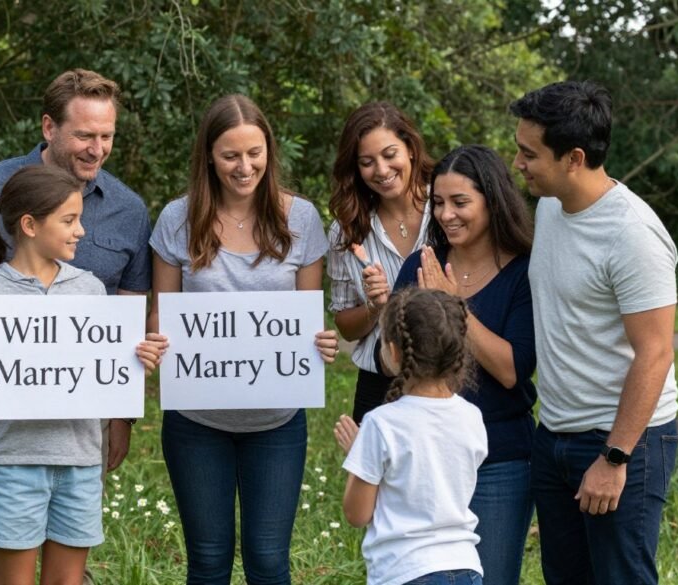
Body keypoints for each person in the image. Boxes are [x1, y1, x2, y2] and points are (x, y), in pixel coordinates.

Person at [0, 69, 151, 585]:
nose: (97, 149)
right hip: (1, 431)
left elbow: (125, 332)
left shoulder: (128, 210)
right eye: (85, 135)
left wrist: (122, 415)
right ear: (49, 127)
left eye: (107, 136)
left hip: (78, 433)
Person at [148, 94, 339, 584]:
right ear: (209, 157)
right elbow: (161, 315)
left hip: (277, 421)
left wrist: (320, 344)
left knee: (269, 560)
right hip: (196, 420)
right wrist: (154, 345)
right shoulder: (176, 219)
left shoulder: (301, 218)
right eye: (230, 155)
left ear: (269, 151)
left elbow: (306, 317)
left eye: (254, 153)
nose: (245, 166)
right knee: (208, 560)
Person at [511, 81, 678, 585]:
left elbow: (656, 353)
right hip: (554, 434)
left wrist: (615, 457)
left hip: (622, 441)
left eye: (529, 154)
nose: (518, 163)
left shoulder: (632, 234)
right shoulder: (550, 206)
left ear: (574, 159)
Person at [366, 145, 536, 584]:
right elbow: (388, 360)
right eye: (438, 202)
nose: (446, 215)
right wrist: (391, 332)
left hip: (499, 459)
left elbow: (512, 370)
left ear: (492, 201)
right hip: (420, 459)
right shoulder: (420, 264)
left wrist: (454, 305)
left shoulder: (524, 272)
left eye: (460, 202)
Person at [335, 288, 487, 585]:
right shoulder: (472, 417)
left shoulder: (381, 423)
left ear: (393, 352)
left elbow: (357, 514)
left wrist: (360, 456)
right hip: (467, 568)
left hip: (405, 570)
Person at [327, 101, 434, 424]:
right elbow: (345, 327)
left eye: (390, 154)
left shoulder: (446, 210)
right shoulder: (347, 230)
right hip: (380, 384)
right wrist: (375, 307)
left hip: (446, 377)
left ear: (411, 149)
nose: (382, 170)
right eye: (367, 162)